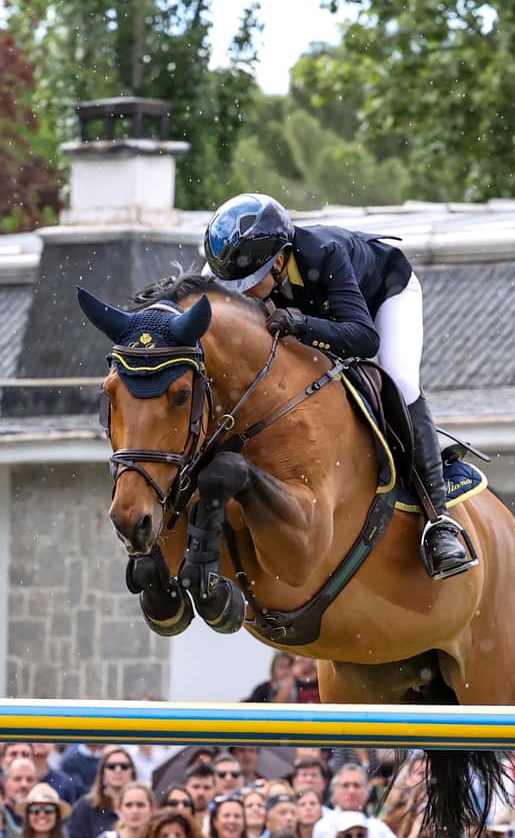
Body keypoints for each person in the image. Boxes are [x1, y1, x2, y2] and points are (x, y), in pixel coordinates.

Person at [201, 192, 475, 578]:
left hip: (383, 295)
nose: (241, 293)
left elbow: (364, 339)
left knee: (399, 379)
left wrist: (302, 326)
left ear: (279, 260)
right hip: (321, 312)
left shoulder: (325, 254)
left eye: (251, 283)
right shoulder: (236, 268)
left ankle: (439, 522)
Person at [65, 746, 137, 838]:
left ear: (132, 772)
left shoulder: (142, 806)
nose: (118, 770)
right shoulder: (85, 807)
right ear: (102, 773)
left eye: (124, 766)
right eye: (111, 766)